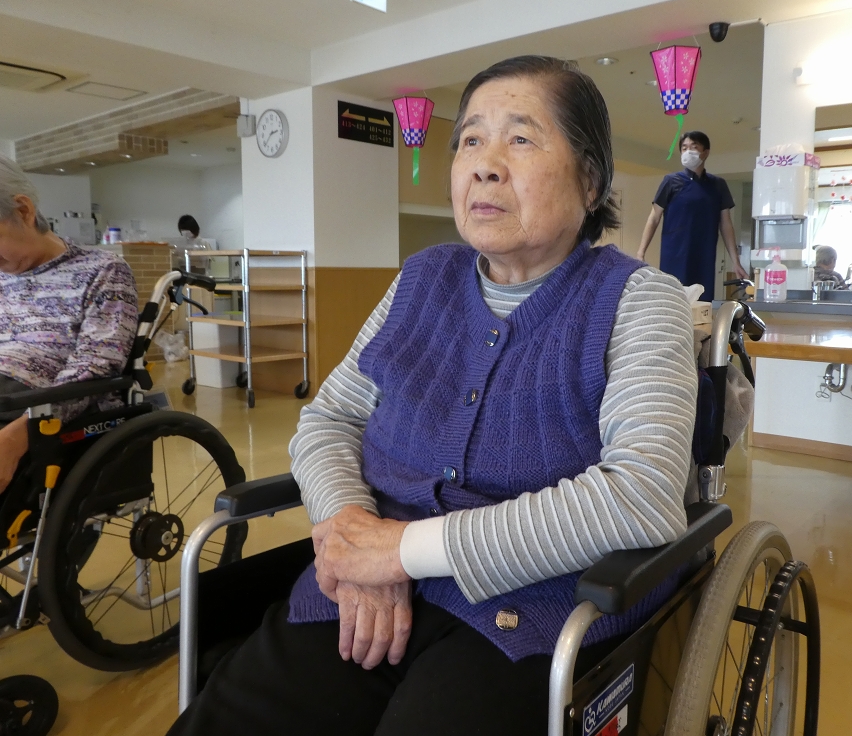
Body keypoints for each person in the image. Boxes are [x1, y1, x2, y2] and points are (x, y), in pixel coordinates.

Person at [170, 56, 706, 736]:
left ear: (590, 179)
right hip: (361, 593)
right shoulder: (421, 279)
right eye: (470, 140)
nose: (484, 165)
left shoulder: (638, 299)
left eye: (520, 138)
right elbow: (330, 419)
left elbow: (642, 495)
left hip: (533, 619)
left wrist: (402, 550)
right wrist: (351, 532)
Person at [0, 155, 137, 495]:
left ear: (23, 210)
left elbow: (96, 366)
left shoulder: (103, 270)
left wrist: (22, 432)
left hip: (35, 399)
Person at [636, 131, 747, 301]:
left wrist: (736, 261)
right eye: (684, 148)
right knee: (672, 300)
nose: (688, 152)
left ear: (706, 152)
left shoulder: (718, 185)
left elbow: (726, 224)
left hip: (704, 255)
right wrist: (640, 253)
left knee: (701, 303)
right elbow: (654, 218)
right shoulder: (670, 181)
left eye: (694, 147)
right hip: (674, 254)